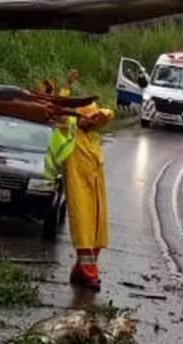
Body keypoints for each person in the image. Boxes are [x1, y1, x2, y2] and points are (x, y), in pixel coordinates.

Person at [63, 102, 115, 290]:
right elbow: (61, 116)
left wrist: (97, 113)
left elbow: (109, 115)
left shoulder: (92, 136)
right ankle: (89, 274)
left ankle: (79, 271)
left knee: (97, 236)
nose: (90, 121)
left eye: (92, 118)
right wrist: (66, 93)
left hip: (96, 191)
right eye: (85, 117)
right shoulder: (70, 134)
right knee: (84, 234)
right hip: (79, 190)